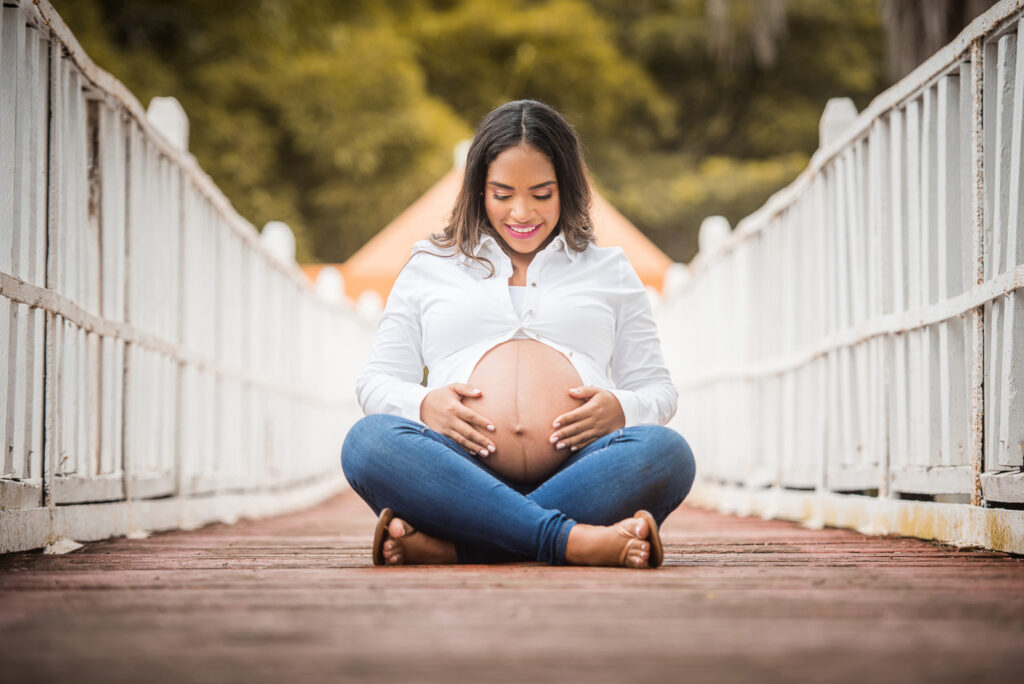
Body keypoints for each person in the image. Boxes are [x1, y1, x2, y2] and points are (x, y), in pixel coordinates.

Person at [341, 99, 695, 568]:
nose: (522, 212)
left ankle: (460, 544)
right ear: (477, 190)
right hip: (456, 469)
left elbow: (658, 391)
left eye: (542, 194)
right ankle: (570, 541)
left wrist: (621, 407)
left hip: (580, 470)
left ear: (568, 187)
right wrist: (423, 404)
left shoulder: (610, 270)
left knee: (667, 453)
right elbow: (376, 382)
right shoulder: (429, 265)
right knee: (369, 442)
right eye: (502, 194)